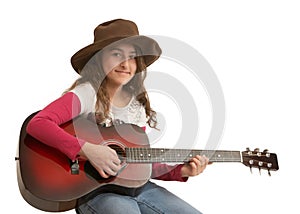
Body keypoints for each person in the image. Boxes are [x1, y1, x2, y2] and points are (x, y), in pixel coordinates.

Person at [26, 18, 210, 214]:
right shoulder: (87, 94)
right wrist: (87, 150)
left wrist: (180, 171)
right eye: (116, 54)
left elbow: (139, 163)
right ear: (98, 59)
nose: (125, 63)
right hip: (96, 191)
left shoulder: (136, 106)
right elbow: (38, 124)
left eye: (132, 56)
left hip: (138, 188)